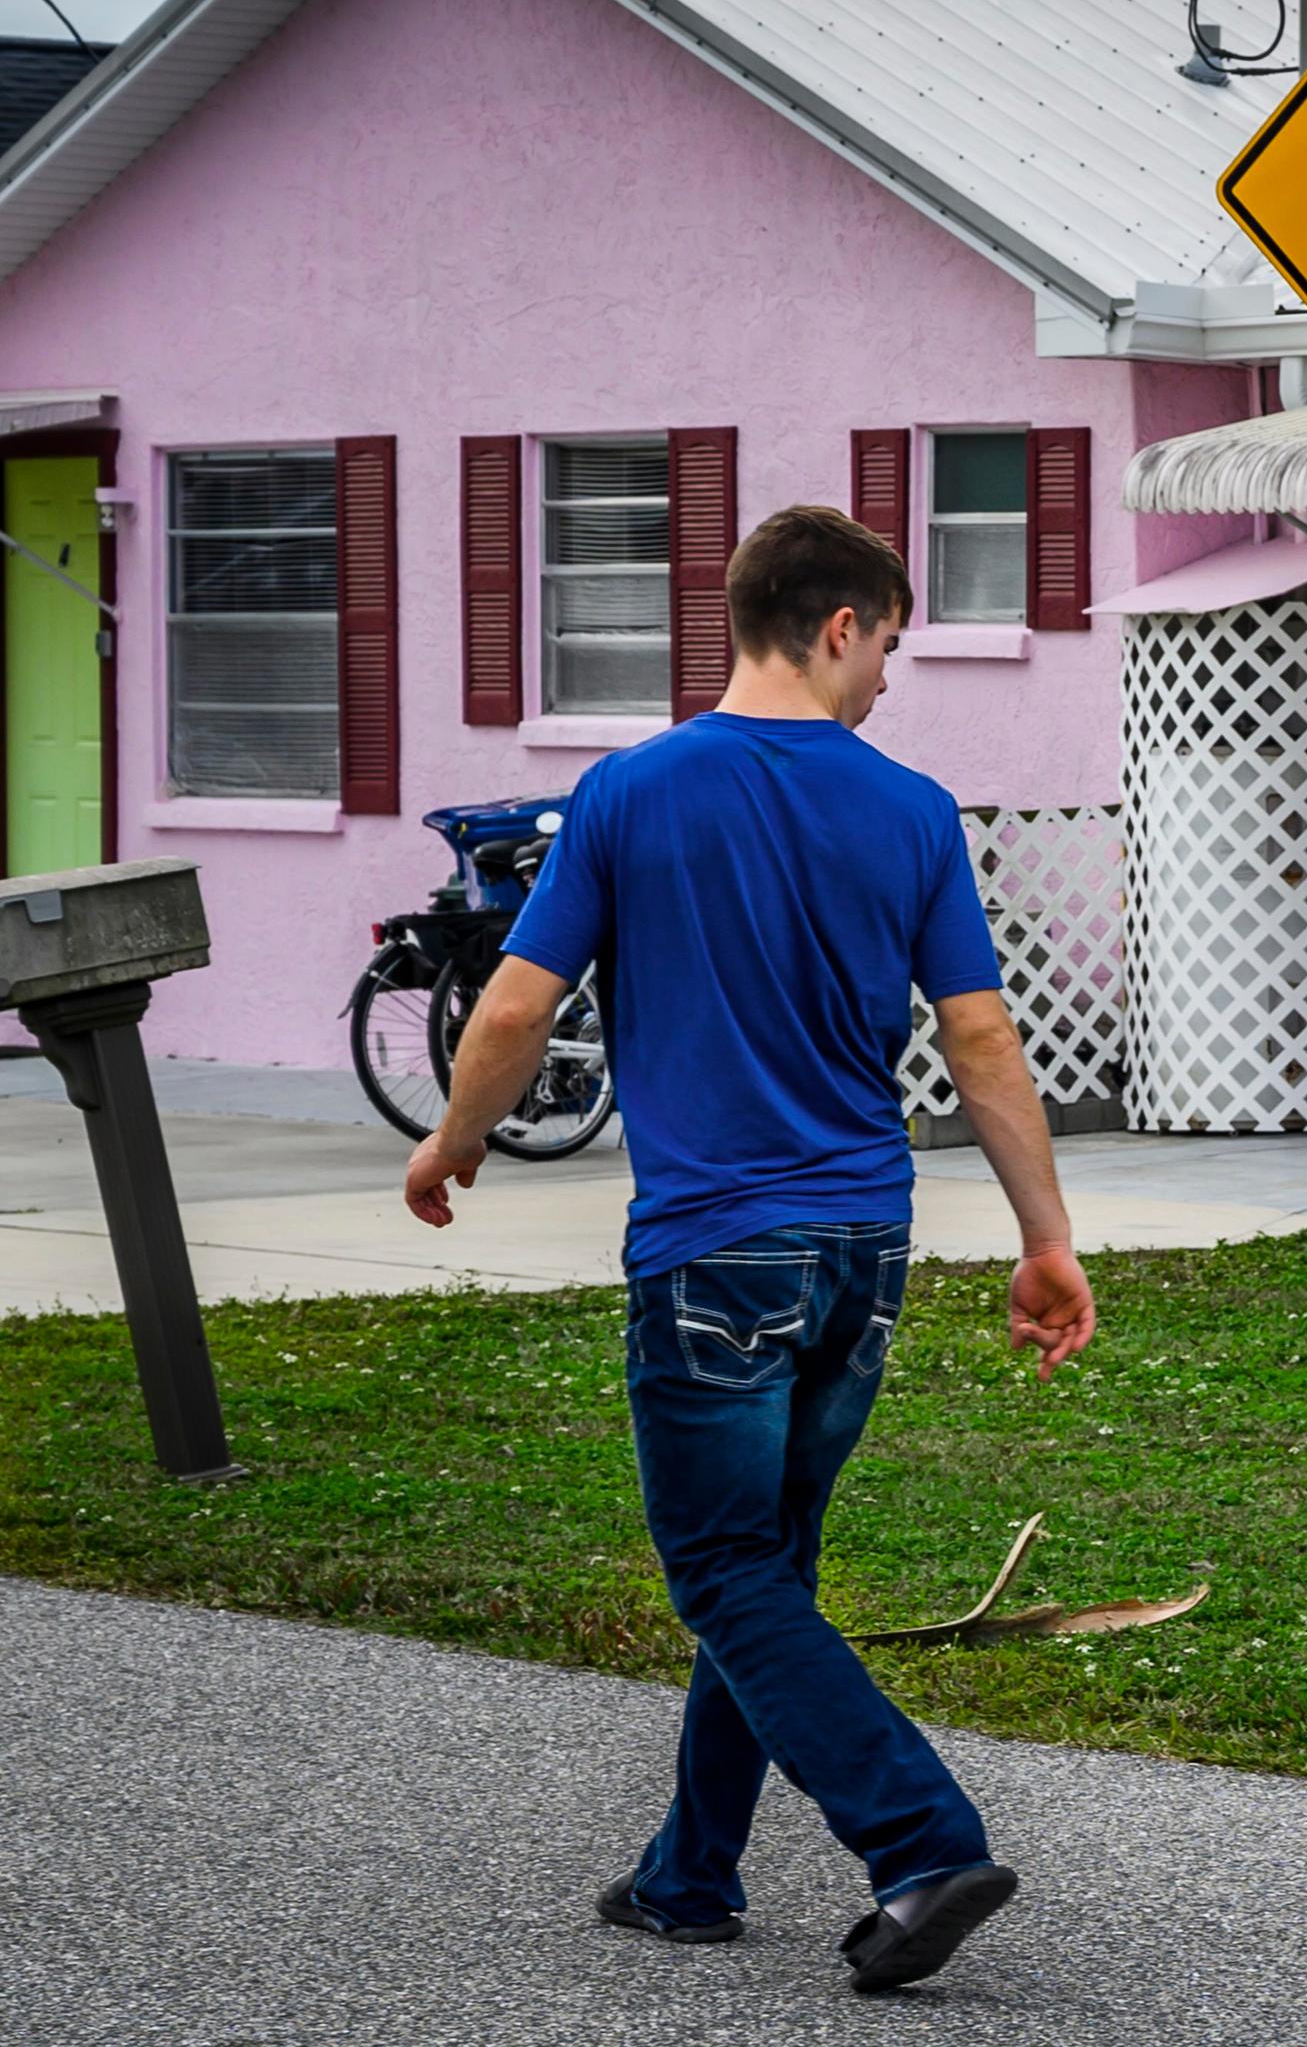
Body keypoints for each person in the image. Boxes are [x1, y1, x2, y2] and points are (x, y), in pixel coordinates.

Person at [403, 504, 1098, 1994]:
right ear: (836, 625)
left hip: (718, 1249)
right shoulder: (909, 810)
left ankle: (919, 1839)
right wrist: (1047, 1240)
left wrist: (455, 1141)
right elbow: (977, 1034)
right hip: (861, 1247)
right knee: (764, 1560)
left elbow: (516, 1008)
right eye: (892, 645)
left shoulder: (632, 792)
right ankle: (689, 1876)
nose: (892, 680)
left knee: (724, 1569)